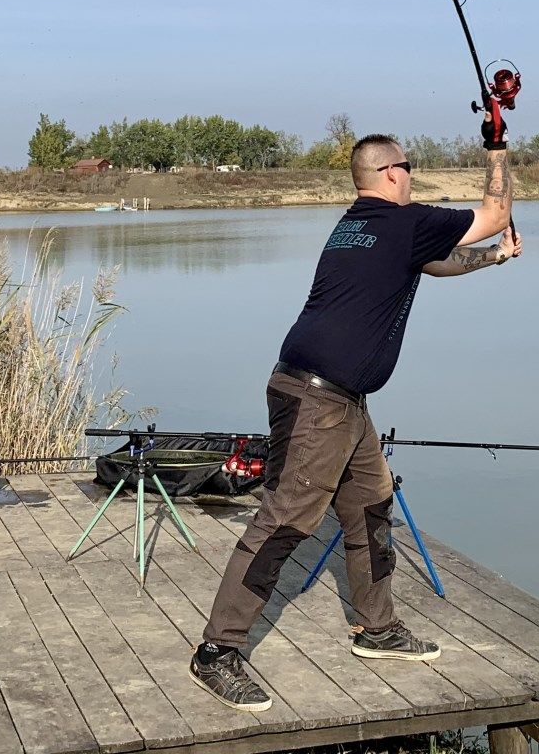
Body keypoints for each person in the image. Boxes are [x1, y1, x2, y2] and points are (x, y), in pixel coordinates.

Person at [189, 113, 518, 712]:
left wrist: (493, 258)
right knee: (284, 520)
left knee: (370, 503)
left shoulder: (359, 226)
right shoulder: (401, 222)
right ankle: (217, 650)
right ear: (391, 173)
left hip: (337, 400)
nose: (414, 179)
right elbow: (493, 212)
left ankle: (377, 628)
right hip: (318, 400)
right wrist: (496, 143)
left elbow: (435, 263)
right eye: (410, 169)